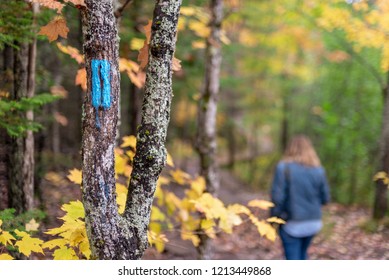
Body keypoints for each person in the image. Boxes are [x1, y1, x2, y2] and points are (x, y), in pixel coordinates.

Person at [270, 135, 330, 260]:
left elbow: (277, 198)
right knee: (303, 254)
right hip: (314, 222)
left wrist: (273, 220)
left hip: (292, 223)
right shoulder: (318, 170)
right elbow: (325, 198)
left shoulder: (283, 168)